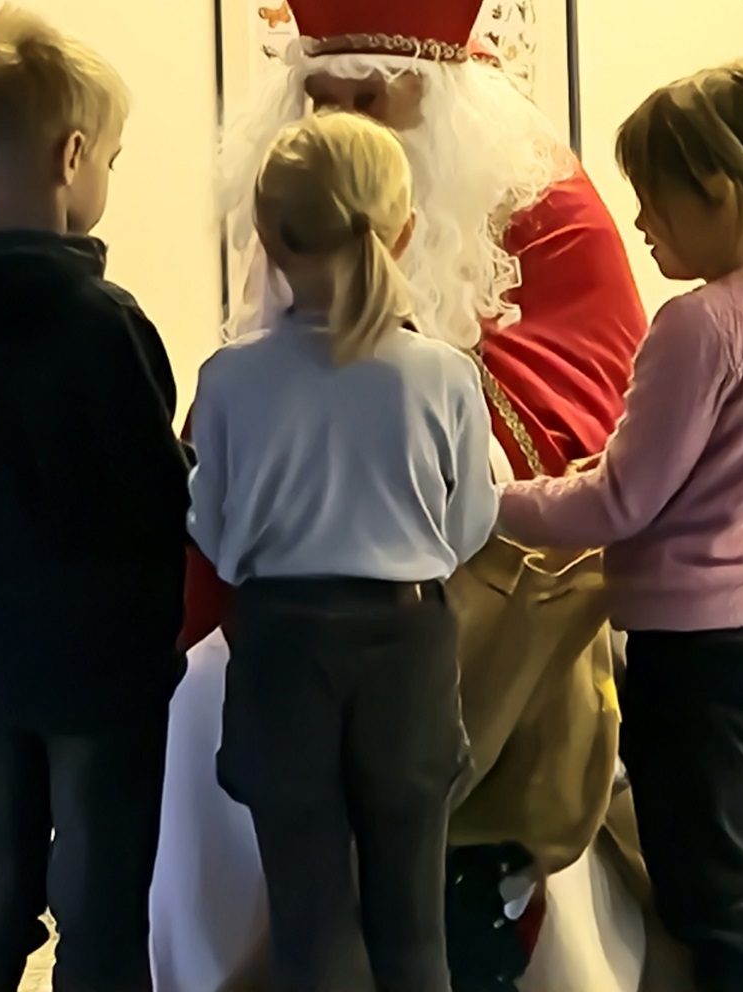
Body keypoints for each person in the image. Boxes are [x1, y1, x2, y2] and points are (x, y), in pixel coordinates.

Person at [151, 0, 648, 992]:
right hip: (405, 645)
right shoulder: (394, 332)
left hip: (487, 624)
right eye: (323, 97)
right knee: (396, 913)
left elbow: (588, 401)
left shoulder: (544, 203)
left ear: (442, 96)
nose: (345, 126)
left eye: (374, 101)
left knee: (327, 908)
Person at [498, 61, 743, 992]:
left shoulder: (698, 324)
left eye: (654, 202)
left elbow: (620, 505)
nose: (641, 223)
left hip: (692, 661)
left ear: (719, 194)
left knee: (711, 908)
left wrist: (487, 505)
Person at [190, 109, 499, 992]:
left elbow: (210, 529)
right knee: (414, 928)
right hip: (407, 649)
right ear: (402, 232)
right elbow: (471, 525)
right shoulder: (446, 375)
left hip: (282, 647)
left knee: (309, 923)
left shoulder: (228, 379)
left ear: (266, 236)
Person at [0, 6, 190, 992]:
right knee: (99, 900)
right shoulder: (105, 323)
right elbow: (157, 499)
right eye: (114, 159)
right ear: (74, 156)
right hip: (101, 671)